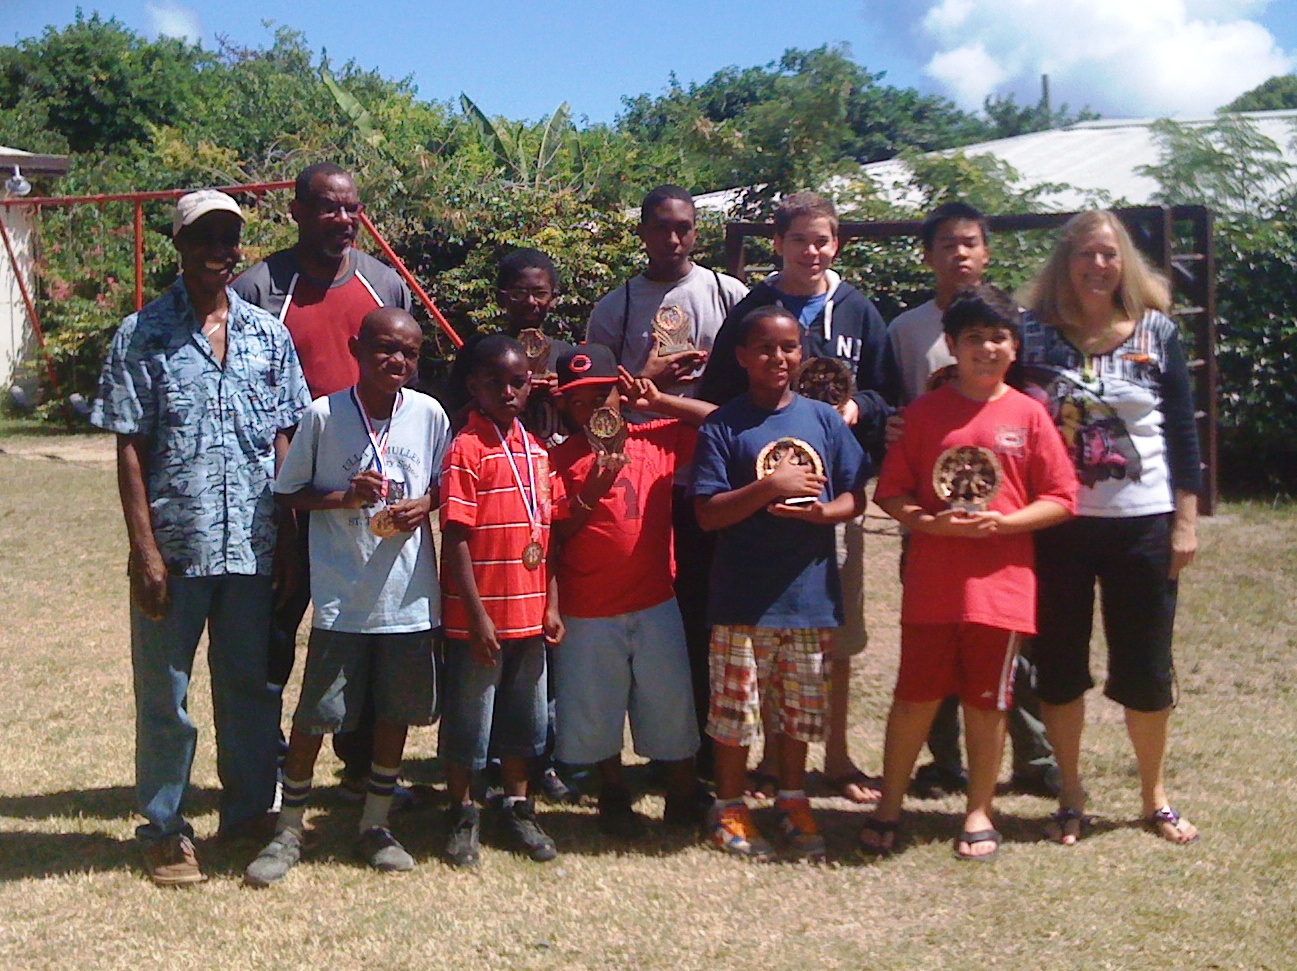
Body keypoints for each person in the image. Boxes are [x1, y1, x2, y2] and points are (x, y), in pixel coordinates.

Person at [90, 190, 310, 885]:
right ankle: (164, 827)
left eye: (229, 238)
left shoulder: (268, 335)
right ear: (179, 246)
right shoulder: (141, 334)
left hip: (251, 547)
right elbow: (130, 447)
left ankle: (247, 813)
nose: (219, 251)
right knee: (166, 692)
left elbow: (285, 438)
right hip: (176, 549)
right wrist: (144, 549)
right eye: (205, 238)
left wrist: (291, 539)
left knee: (249, 687)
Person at [859, 286, 1077, 861]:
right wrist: (930, 525)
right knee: (914, 699)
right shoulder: (924, 414)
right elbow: (893, 493)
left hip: (1002, 588)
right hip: (934, 585)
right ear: (952, 346)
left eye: (998, 336)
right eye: (974, 337)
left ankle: (978, 809)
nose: (987, 347)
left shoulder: (1029, 415)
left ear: (1015, 346)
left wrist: (1006, 525)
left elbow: (1061, 497)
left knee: (988, 702)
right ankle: (889, 806)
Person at [243, 309, 451, 886]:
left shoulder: (429, 413)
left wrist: (425, 505)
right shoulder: (323, 414)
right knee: (317, 714)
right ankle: (288, 830)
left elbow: (444, 483)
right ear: (358, 349)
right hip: (342, 595)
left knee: (394, 713)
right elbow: (289, 493)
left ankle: (376, 823)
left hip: (407, 596)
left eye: (409, 353)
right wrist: (343, 496)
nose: (397, 362)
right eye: (385, 349)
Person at [699, 191, 895, 804]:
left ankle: (831, 758)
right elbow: (720, 394)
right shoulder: (756, 307)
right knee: (757, 639)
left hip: (830, 491)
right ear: (777, 244)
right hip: (755, 512)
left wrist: (855, 409)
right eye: (799, 240)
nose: (812, 251)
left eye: (823, 240)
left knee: (825, 633)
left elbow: (890, 395)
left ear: (836, 245)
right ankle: (755, 768)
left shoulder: (859, 311)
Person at [1019, 210, 1202, 846]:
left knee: (1147, 665)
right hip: (1058, 526)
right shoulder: (1031, 335)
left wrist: (1185, 522)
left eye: (1109, 254)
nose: (1098, 266)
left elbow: (1182, 431)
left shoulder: (1158, 332)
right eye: (1085, 255)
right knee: (1060, 663)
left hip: (1143, 525)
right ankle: (1070, 793)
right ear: (1064, 263)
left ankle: (1154, 796)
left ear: (1124, 260)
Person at [233, 162, 413, 803]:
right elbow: (246, 397)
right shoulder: (258, 289)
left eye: (352, 209)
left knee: (368, 626)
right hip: (289, 495)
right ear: (297, 211)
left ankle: (360, 766)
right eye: (329, 207)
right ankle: (267, 768)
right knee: (277, 630)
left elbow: (403, 382)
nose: (342, 220)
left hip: (369, 495)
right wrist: (284, 497)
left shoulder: (383, 283)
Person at [885, 201, 1060, 799]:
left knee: (1007, 650)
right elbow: (887, 403)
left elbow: (1036, 392)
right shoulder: (905, 328)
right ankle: (943, 762)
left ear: (986, 252)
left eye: (970, 243)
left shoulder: (1014, 323)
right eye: (946, 244)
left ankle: (1033, 759)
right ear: (927, 255)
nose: (959, 254)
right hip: (932, 522)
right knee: (930, 643)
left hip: (1001, 524)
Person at [691, 306, 871, 861]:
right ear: (743, 357)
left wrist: (824, 515)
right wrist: (771, 487)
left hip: (808, 595)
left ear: (802, 354)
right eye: (765, 349)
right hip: (743, 597)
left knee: (798, 711)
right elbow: (708, 514)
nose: (778, 358)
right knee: (734, 712)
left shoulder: (823, 420)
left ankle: (792, 799)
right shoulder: (725, 424)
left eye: (789, 348)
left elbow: (853, 494)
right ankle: (729, 806)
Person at [586, 185, 747, 778]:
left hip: (715, 471)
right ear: (643, 232)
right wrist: (648, 382)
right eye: (660, 227)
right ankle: (653, 748)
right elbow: (594, 402)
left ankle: (705, 749)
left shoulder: (729, 295)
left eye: (683, 227)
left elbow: (754, 391)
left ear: (696, 231)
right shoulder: (616, 306)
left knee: (707, 609)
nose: (672, 239)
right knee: (655, 610)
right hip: (644, 478)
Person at [548, 344, 715, 837]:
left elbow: (723, 423)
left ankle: (681, 793)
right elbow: (555, 535)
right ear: (564, 407)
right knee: (594, 708)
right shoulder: (557, 460)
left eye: (602, 395)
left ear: (621, 393)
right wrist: (592, 488)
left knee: (670, 704)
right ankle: (613, 794)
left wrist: (660, 401)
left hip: (655, 600)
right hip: (588, 609)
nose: (593, 409)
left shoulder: (656, 440)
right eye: (578, 401)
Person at [438, 334, 565, 868]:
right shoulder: (466, 449)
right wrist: (475, 614)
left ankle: (518, 805)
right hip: (480, 620)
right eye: (496, 382)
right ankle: (463, 810)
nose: (509, 392)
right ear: (474, 386)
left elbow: (548, 534)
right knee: (470, 719)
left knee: (524, 720)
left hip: (530, 616)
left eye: (519, 382)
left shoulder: (537, 451)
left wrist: (552, 604)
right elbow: (457, 539)